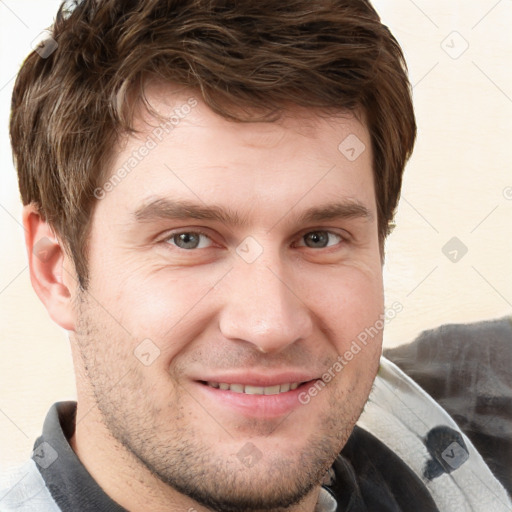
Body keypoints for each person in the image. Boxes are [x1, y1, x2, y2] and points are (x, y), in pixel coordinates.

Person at [1, 0, 510, 511]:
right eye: (189, 240)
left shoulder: (472, 423)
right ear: (55, 269)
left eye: (319, 238)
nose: (270, 325)